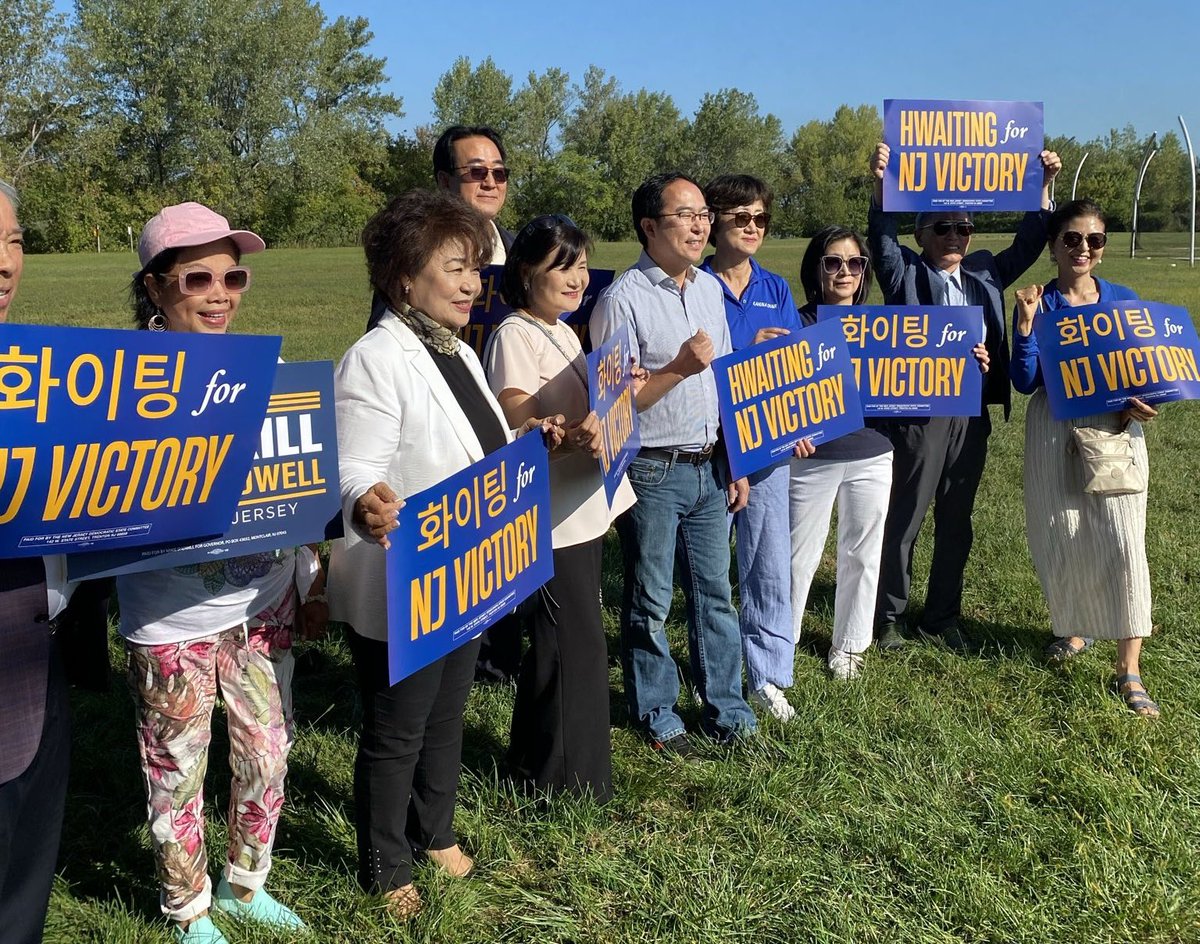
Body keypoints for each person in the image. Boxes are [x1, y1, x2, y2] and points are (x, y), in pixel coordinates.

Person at [329, 189, 562, 918]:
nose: (471, 283)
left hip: (467, 574)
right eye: (455, 267)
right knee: (398, 728)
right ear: (404, 279)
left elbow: (477, 447)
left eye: (474, 268)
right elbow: (353, 465)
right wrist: (365, 501)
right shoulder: (375, 358)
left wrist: (530, 445)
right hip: (404, 576)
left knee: (446, 716)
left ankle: (434, 831)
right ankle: (383, 861)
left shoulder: (456, 348)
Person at [118, 202, 327, 944]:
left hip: (259, 607)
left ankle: (247, 883)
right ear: (156, 287)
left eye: (232, 275)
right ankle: (189, 910)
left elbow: (295, 485)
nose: (219, 293)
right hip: (169, 619)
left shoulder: (263, 366)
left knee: (267, 755)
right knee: (176, 774)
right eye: (198, 277)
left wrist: (309, 576)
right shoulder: (115, 385)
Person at [867, 142, 1062, 651]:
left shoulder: (983, 273)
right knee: (905, 517)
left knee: (957, 521)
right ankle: (889, 617)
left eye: (964, 228)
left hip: (971, 416)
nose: (955, 236)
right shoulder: (904, 274)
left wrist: (1042, 188)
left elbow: (1028, 242)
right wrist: (883, 183)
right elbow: (880, 238)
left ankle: (942, 616)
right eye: (943, 228)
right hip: (920, 416)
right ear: (921, 234)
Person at [590, 172, 756, 761]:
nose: (700, 224)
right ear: (649, 226)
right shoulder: (622, 299)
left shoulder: (709, 289)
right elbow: (613, 405)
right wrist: (680, 368)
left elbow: (728, 381)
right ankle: (659, 713)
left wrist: (737, 459)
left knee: (716, 595)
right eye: (685, 215)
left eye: (704, 214)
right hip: (653, 472)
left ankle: (730, 712)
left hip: (711, 466)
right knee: (651, 598)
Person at [484, 214, 638, 799]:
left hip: (582, 506)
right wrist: (562, 430)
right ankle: (565, 784)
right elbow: (516, 412)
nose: (577, 280)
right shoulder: (515, 335)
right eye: (562, 267)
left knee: (569, 641)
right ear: (526, 272)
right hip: (548, 517)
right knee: (567, 643)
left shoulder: (565, 332)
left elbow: (588, 406)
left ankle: (541, 764)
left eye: (580, 266)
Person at [1010, 199, 1158, 716]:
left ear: (1103, 248)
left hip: (1113, 430)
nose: (1083, 248)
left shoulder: (1123, 300)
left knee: (1123, 542)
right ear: (1053, 246)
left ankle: (1129, 667)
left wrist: (1146, 402)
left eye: (1093, 240)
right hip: (1052, 428)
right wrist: (1026, 326)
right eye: (1072, 238)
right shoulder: (1037, 300)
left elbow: (1147, 373)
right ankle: (1076, 629)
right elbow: (1025, 380)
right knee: (1063, 536)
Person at [698, 174, 809, 721]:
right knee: (711, 570)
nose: (752, 228)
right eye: (741, 217)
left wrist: (803, 420)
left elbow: (793, 372)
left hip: (765, 450)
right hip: (706, 448)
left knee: (768, 566)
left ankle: (768, 676)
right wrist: (745, 350)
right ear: (714, 220)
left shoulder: (776, 289)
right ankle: (712, 673)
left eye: (761, 218)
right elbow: (685, 366)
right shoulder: (692, 286)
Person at [0, 179, 78, 944]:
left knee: (27, 877)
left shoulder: (47, 374)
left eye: (15, 240)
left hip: (38, 652)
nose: (3, 263)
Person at [790, 227, 894, 681]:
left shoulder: (886, 327)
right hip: (813, 458)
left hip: (873, 453)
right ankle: (781, 638)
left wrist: (964, 364)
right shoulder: (796, 322)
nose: (845, 272)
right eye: (833, 262)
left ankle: (849, 647)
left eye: (855, 263)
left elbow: (923, 376)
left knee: (864, 552)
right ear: (817, 268)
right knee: (798, 553)